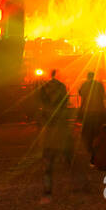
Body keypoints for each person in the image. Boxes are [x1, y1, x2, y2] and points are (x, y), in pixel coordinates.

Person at [37, 70, 72, 199]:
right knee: (68, 156)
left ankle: (48, 190)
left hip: (48, 135)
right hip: (61, 131)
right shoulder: (62, 87)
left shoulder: (44, 90)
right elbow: (66, 100)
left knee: (48, 164)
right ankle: (74, 186)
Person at [78, 72, 106, 153]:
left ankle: (89, 147)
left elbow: (80, 93)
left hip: (87, 110)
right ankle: (97, 147)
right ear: (93, 77)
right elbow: (104, 96)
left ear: (87, 77)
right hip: (98, 110)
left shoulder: (85, 84)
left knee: (87, 129)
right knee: (97, 129)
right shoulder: (99, 84)